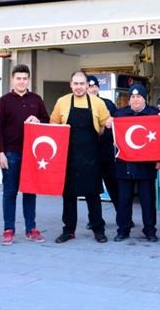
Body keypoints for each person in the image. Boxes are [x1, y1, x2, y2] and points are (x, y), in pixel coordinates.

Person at [50, 71, 111, 244]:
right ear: (71, 85)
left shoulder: (98, 103)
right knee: (69, 196)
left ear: (87, 85)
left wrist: (107, 125)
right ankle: (68, 231)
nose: (78, 87)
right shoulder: (62, 102)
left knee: (93, 195)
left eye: (82, 84)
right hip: (68, 158)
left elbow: (103, 127)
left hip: (91, 157)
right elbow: (53, 124)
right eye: (75, 84)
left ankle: (98, 230)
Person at [0, 64, 50, 245]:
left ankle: (31, 228)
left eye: (24, 78)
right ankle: (8, 230)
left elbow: (47, 120)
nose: (21, 81)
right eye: (18, 78)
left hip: (32, 154)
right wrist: (0, 153)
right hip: (11, 153)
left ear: (29, 80)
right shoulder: (4, 101)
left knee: (30, 191)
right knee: (9, 192)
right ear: (13, 80)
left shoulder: (36, 99)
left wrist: (38, 119)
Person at [113, 84, 160, 243]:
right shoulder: (119, 114)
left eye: (138, 96)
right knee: (124, 201)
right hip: (124, 164)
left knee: (148, 201)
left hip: (146, 165)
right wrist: (109, 124)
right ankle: (123, 230)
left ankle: (150, 231)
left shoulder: (155, 114)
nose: (135, 99)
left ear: (145, 98)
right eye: (132, 97)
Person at [87, 75, 119, 213]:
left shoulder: (108, 104)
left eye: (95, 86)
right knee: (92, 188)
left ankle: (123, 217)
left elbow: (119, 126)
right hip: (89, 153)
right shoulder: (81, 105)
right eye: (90, 86)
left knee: (113, 185)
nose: (93, 89)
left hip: (106, 152)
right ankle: (95, 219)